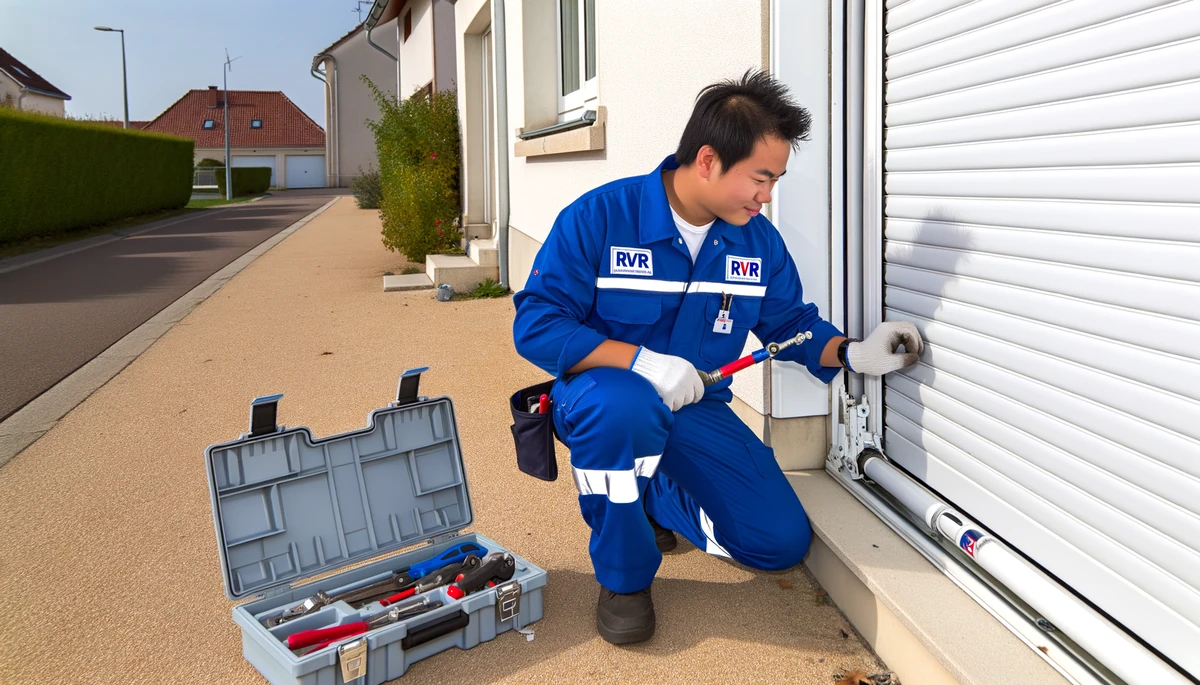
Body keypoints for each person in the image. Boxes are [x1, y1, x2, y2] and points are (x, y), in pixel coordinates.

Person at [512, 69, 922, 645]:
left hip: (695, 409)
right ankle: (625, 577)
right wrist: (641, 362)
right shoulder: (600, 218)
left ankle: (651, 490)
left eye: (775, 180)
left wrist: (853, 353)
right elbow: (536, 324)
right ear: (707, 161)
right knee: (623, 411)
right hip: (604, 396)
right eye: (759, 178)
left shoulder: (756, 242)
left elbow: (792, 325)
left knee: (777, 543)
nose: (767, 196)